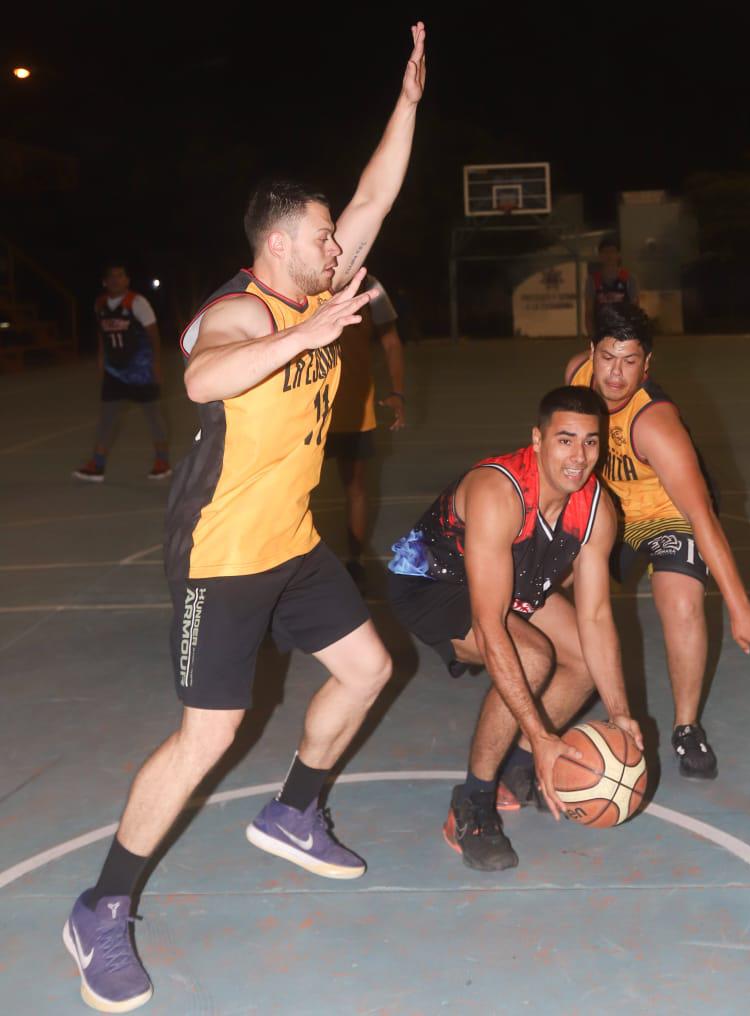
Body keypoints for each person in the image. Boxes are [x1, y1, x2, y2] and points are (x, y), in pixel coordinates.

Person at [61, 24, 426, 1013]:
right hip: (222, 557)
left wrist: (406, 102)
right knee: (205, 734)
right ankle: (100, 906)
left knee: (368, 667)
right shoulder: (243, 310)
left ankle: (293, 810)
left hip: (293, 544)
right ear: (277, 245)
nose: (336, 246)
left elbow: (374, 196)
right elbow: (203, 371)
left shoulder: (317, 275)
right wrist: (306, 331)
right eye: (320, 238)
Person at [387, 386, 643, 872]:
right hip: (432, 581)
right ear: (537, 439)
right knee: (533, 657)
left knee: (584, 659)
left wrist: (621, 711)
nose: (579, 456)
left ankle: (520, 771)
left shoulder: (596, 509)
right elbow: (490, 625)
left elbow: (595, 617)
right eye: (565, 440)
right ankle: (474, 802)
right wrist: (544, 733)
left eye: (591, 442)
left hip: (510, 574)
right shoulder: (498, 492)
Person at [567, 302, 750, 780]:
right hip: (607, 512)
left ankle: (687, 727)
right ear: (590, 353)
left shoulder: (655, 425)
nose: (615, 374)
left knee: (681, 601)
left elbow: (701, 517)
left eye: (630, 361)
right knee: (549, 588)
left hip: (666, 515)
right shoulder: (574, 379)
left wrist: (740, 605)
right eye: (607, 357)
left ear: (648, 364)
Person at [326, 273, 406, 586]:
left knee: (355, 485)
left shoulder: (372, 286)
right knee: (294, 487)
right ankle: (289, 566)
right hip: (307, 409)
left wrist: (398, 392)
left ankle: (354, 562)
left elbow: (391, 342)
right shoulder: (305, 278)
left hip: (354, 406)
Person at [73, 264, 171, 482]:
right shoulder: (100, 304)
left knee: (154, 416)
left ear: (127, 280)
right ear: (104, 282)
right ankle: (97, 465)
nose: (116, 280)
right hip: (114, 370)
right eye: (111, 277)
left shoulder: (137, 303)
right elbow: (102, 334)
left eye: (120, 276)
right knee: (107, 418)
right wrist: (101, 359)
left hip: (141, 369)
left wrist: (156, 364)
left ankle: (162, 461)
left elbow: (153, 335)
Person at [584, 235, 639, 337]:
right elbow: (589, 313)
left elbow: (635, 310)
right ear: (600, 255)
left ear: (618, 255)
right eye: (605, 252)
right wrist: (592, 337)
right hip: (601, 333)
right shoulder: (593, 280)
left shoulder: (629, 279)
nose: (609, 255)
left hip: (624, 333)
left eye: (612, 252)